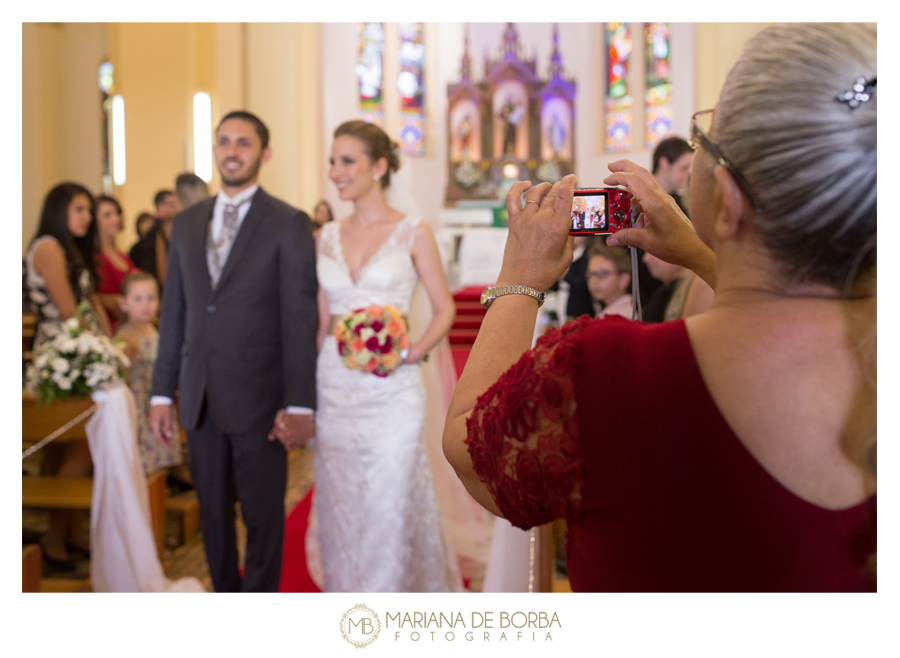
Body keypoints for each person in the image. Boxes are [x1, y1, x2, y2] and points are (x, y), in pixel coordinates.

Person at [444, 23, 876, 592]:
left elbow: (469, 446)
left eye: (703, 142)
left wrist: (520, 279)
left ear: (731, 200)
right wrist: (700, 253)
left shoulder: (604, 370)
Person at [149, 110, 318, 592]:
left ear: (263, 154)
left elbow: (298, 317)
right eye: (224, 142)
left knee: (264, 518)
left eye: (243, 143)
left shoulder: (288, 222)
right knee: (213, 518)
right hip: (200, 397)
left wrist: (300, 402)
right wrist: (163, 393)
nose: (232, 151)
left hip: (260, 397)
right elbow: (175, 314)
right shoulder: (185, 223)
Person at [305, 119, 461, 592]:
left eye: (347, 161)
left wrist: (411, 352)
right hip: (336, 387)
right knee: (342, 502)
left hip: (394, 391)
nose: (335, 171)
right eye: (333, 161)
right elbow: (321, 322)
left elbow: (444, 309)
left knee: (391, 501)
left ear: (378, 166)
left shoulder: (413, 231)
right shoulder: (325, 236)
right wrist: (316, 382)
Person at [24, 182, 112, 569]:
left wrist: (107, 343)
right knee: (80, 443)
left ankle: (69, 534)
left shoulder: (72, 249)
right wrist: (99, 348)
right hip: (60, 356)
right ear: (59, 209)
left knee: (69, 449)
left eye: (89, 210)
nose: (87, 217)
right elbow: (67, 310)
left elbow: (90, 302)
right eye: (80, 209)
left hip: (80, 352)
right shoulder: (47, 247)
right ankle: (54, 539)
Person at [116, 272, 183, 476]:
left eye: (151, 298)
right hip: (140, 406)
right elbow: (118, 377)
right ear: (123, 303)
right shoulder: (126, 337)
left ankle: (160, 493)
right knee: (142, 462)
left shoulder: (155, 330)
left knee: (158, 463)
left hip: (157, 401)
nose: (145, 304)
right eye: (137, 299)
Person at [94, 194, 137, 332]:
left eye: (117, 213)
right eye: (107, 215)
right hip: (110, 327)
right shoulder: (96, 257)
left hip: (130, 324)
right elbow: (104, 300)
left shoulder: (122, 256)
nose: (115, 219)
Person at [128, 189, 180, 289]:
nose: (176, 209)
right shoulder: (155, 233)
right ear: (160, 207)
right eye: (172, 205)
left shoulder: (171, 229)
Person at [586, 243, 632, 318]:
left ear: (624, 279)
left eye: (602, 273)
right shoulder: (608, 311)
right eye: (591, 274)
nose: (594, 280)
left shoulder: (623, 316)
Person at [651, 136, 694, 216]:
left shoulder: (683, 205)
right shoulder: (635, 201)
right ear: (664, 164)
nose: (688, 175)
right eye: (684, 168)